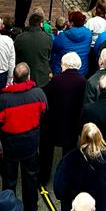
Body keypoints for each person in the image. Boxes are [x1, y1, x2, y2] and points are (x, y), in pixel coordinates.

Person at [0, 63, 48, 211]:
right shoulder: (39, 94)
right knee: (30, 179)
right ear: (28, 77)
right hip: (30, 144)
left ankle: (9, 209)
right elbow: (44, 113)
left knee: (9, 181)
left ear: (14, 78)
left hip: (9, 146)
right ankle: (31, 209)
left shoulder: (4, 99)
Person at [53, 123, 106, 211]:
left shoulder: (69, 159)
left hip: (75, 209)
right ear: (100, 137)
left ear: (82, 137)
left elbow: (59, 190)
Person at [39, 52, 86, 186]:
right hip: (72, 122)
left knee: (47, 151)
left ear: (63, 64)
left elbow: (45, 94)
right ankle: (67, 176)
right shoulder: (83, 81)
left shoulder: (56, 80)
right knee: (69, 150)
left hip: (54, 121)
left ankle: (44, 177)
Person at [14, 9, 53, 89]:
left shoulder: (20, 38)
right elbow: (48, 55)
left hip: (24, 76)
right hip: (41, 77)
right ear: (41, 24)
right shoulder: (47, 38)